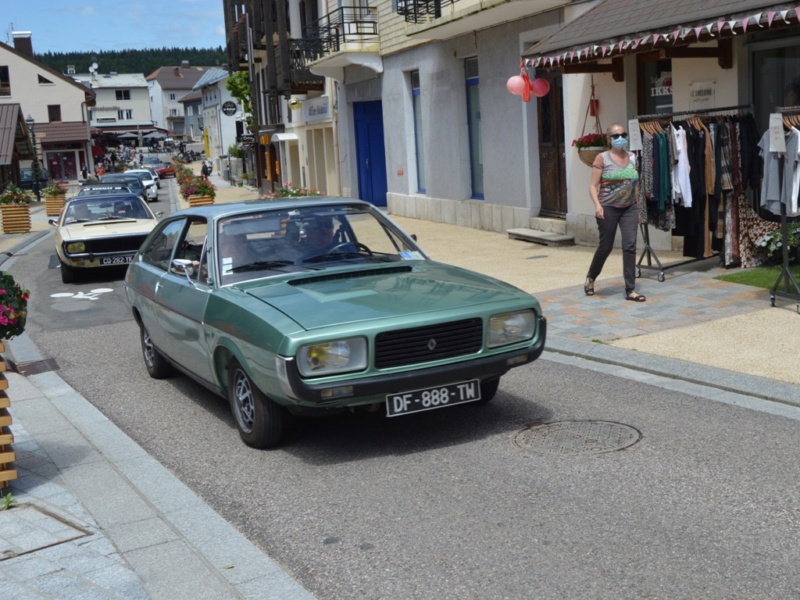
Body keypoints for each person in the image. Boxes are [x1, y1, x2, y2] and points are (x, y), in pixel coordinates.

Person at [584, 123, 646, 302]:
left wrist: (639, 210)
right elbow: (592, 186)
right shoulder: (602, 158)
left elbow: (636, 186)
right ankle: (591, 278)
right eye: (615, 135)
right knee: (606, 247)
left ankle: (631, 289)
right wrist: (597, 205)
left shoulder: (633, 157)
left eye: (623, 134)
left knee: (630, 246)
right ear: (609, 139)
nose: (620, 138)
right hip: (608, 207)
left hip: (629, 208)